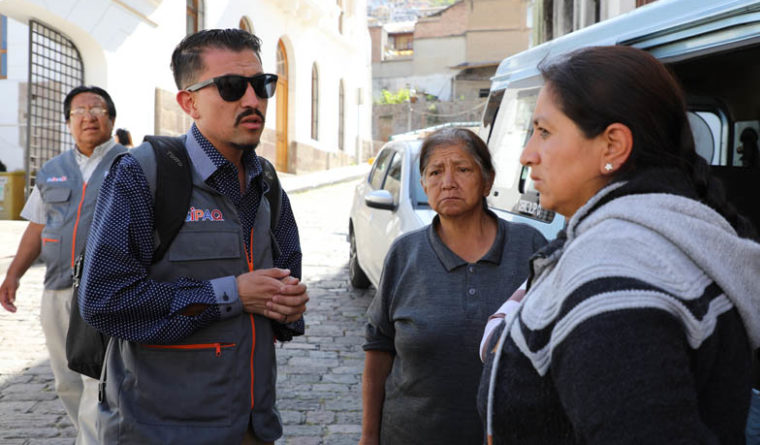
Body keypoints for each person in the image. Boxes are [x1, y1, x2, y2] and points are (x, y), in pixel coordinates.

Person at [478, 45, 760, 444]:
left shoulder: (615, 271)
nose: (527, 154)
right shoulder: (676, 233)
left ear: (613, 146)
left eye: (545, 131)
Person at [78, 29, 308, 444]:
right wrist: (232, 294)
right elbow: (104, 300)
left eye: (262, 85)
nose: (253, 100)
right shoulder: (142, 174)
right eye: (232, 87)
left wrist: (288, 307)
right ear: (189, 102)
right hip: (158, 431)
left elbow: (284, 285)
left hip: (253, 427)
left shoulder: (267, 183)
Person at [360, 128, 546, 445]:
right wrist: (368, 437)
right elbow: (379, 348)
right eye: (435, 172)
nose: (448, 182)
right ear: (424, 185)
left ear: (487, 181)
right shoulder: (406, 254)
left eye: (462, 169)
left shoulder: (528, 247)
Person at [0, 85, 127, 445]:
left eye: (97, 109)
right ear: (68, 122)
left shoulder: (131, 166)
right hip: (56, 291)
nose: (87, 117)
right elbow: (37, 226)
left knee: (97, 379)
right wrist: (13, 274)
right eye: (78, 111)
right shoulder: (52, 171)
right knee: (65, 380)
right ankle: (89, 435)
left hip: (104, 291)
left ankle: (92, 440)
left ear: (111, 118)